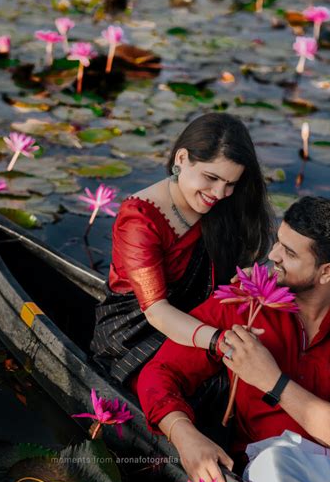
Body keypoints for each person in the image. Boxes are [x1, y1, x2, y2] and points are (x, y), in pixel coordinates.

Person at [137, 196, 330, 482]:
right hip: (271, 475)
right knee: (274, 466)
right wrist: (185, 437)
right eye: (279, 241)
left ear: (327, 271)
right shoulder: (246, 300)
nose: (273, 255)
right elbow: (159, 373)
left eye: (290, 253)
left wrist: (273, 382)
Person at [91, 112, 273, 384]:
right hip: (136, 332)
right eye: (211, 177)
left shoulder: (221, 205)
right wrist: (218, 341)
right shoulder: (140, 218)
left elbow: (238, 265)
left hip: (201, 317)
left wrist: (247, 276)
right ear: (181, 159)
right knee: (213, 386)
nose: (220, 193)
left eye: (230, 184)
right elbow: (156, 311)